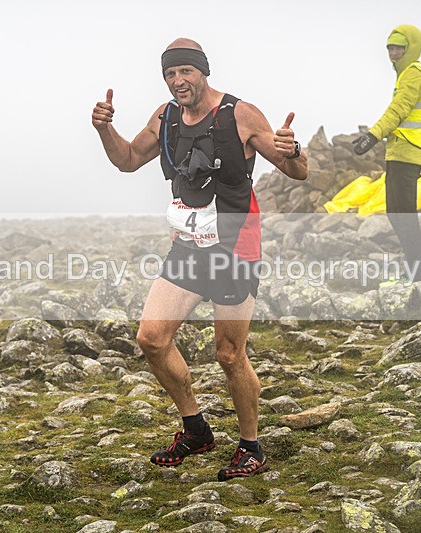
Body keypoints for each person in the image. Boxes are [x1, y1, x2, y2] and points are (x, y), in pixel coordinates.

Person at [91, 38, 307, 481]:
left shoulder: (239, 114)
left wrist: (294, 150)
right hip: (188, 247)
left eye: (185, 72)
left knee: (229, 354)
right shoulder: (165, 117)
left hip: (235, 250)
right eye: (170, 74)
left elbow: (297, 172)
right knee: (151, 338)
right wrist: (103, 130)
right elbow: (128, 160)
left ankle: (251, 447)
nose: (177, 81)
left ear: (203, 72)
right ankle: (196, 429)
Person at [353, 24, 421, 284]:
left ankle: (416, 270)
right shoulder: (404, 76)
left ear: (411, 48)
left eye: (399, 47)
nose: (393, 52)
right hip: (399, 150)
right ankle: (413, 265)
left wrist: (374, 134)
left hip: (409, 151)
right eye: (390, 47)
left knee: (404, 212)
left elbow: (398, 109)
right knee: (394, 211)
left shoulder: (414, 74)